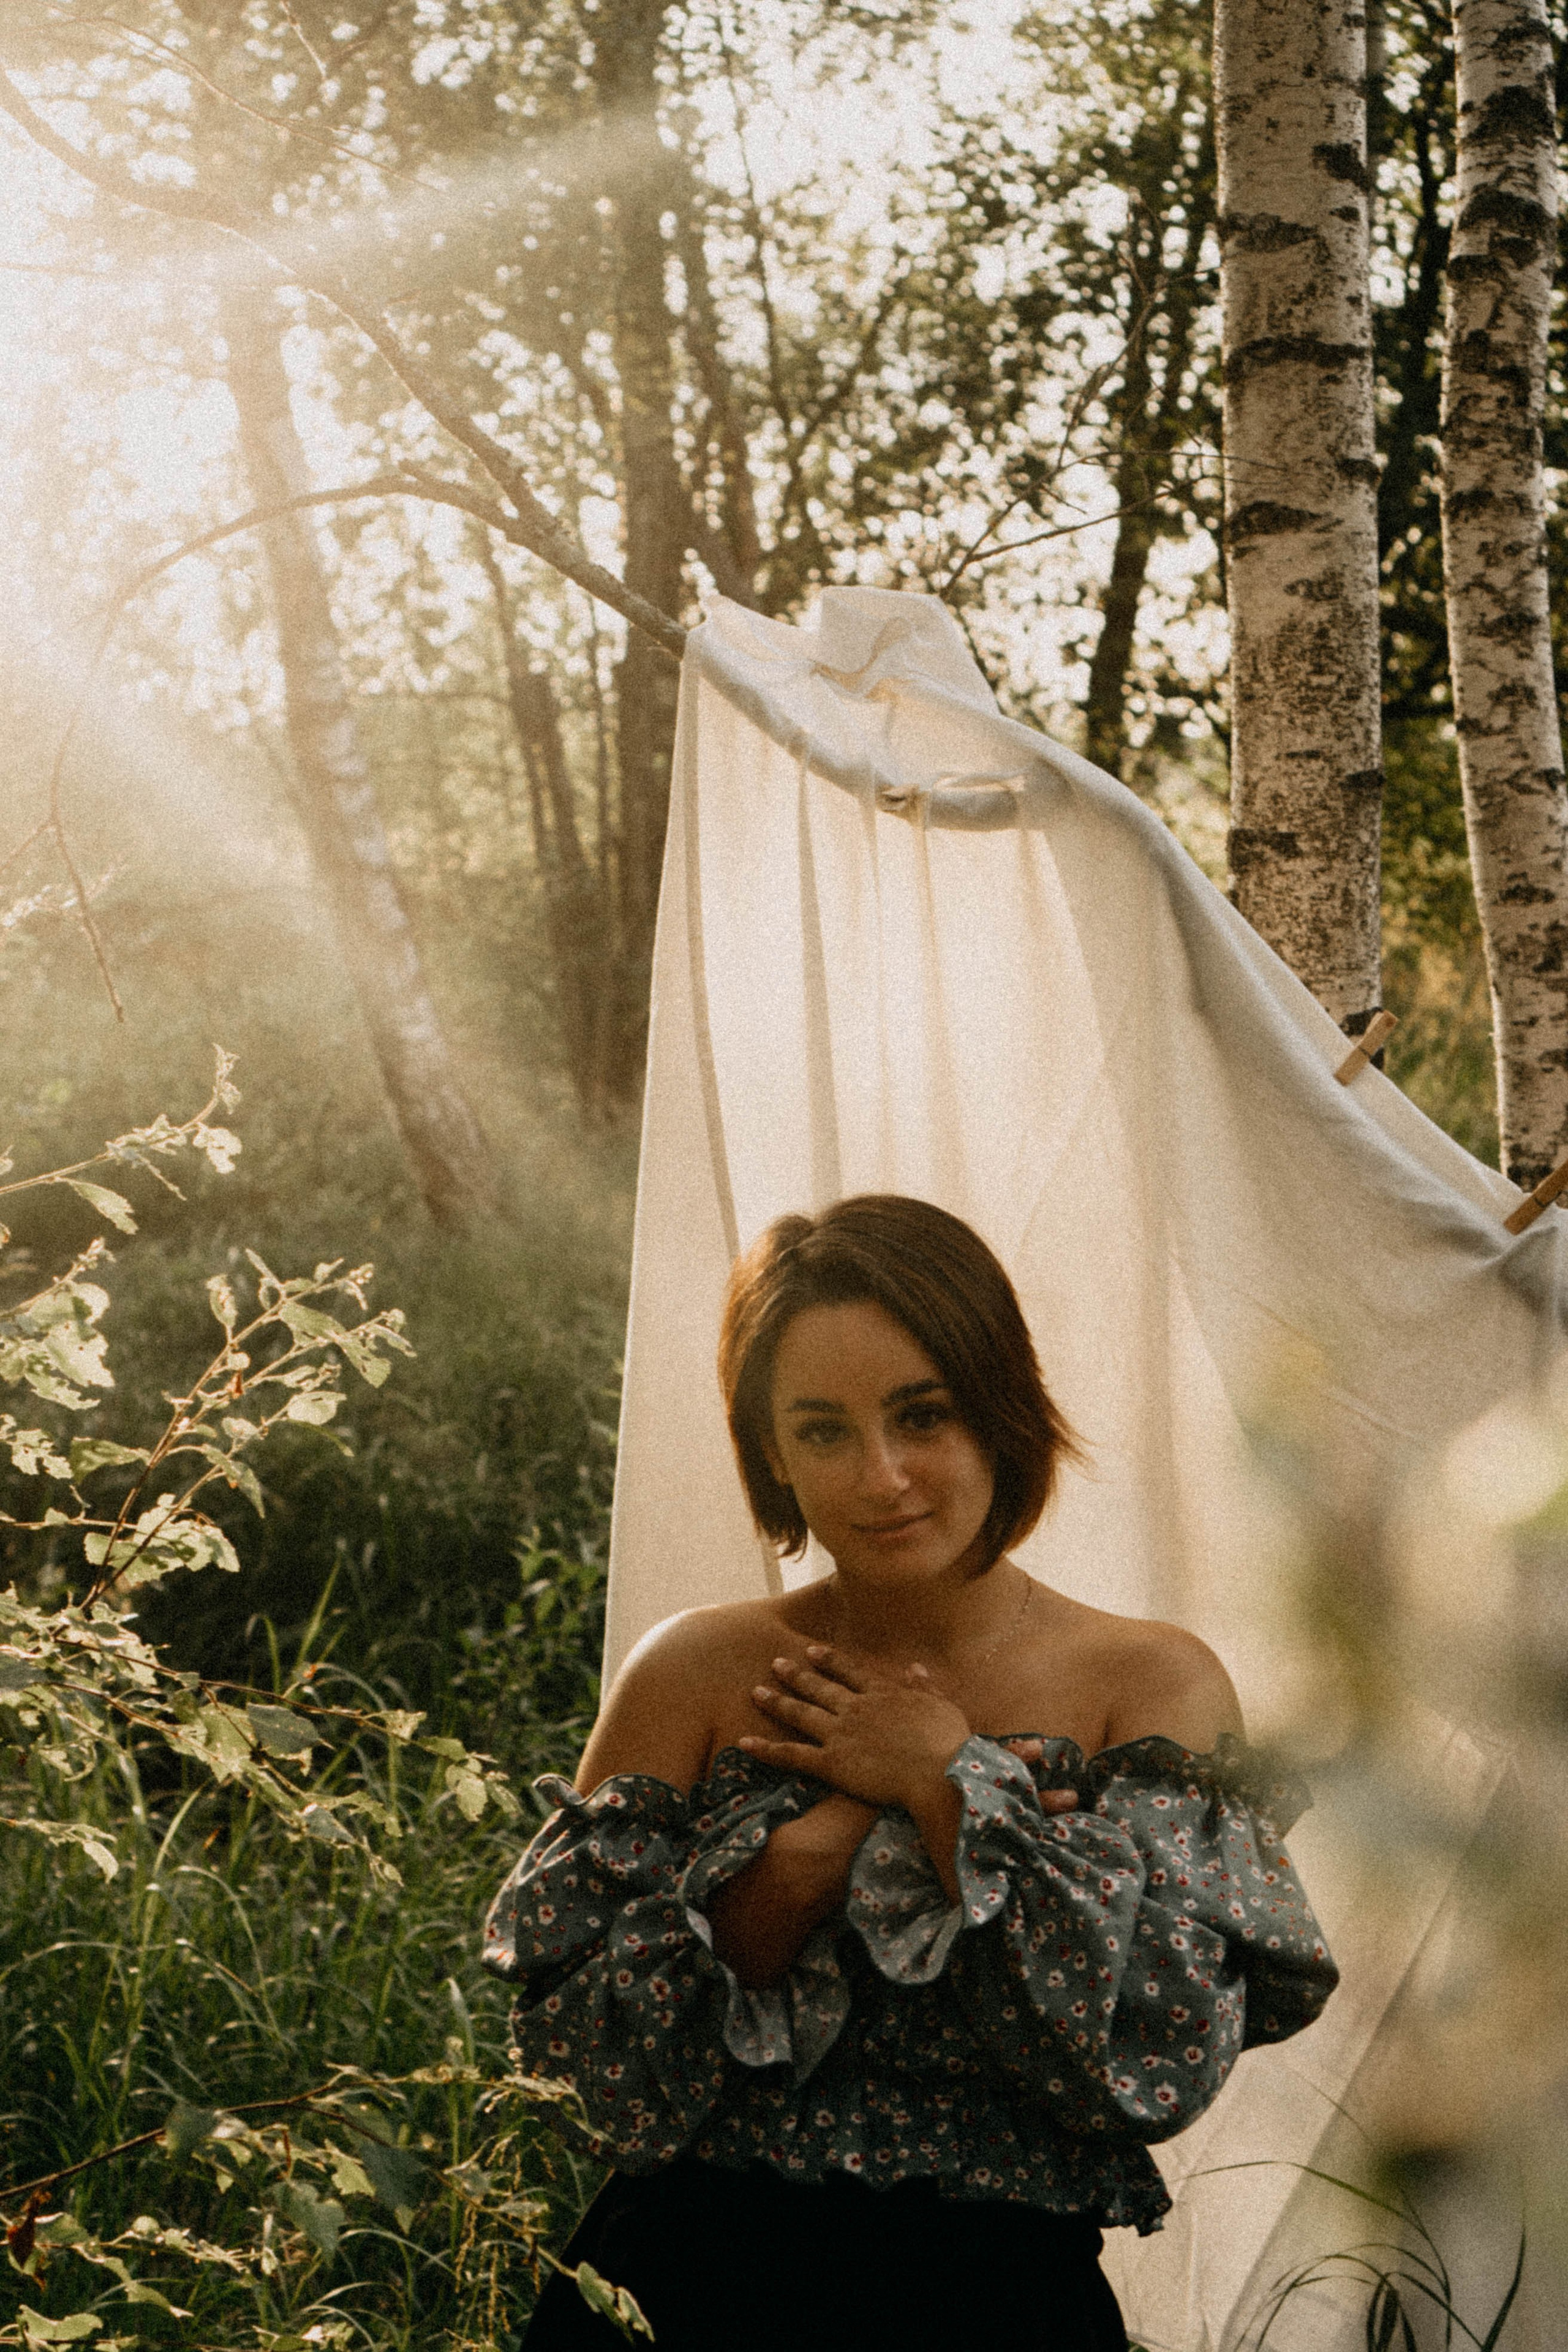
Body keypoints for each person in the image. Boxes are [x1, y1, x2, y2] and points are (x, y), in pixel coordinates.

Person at [483, 1196, 1338, 2351]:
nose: (881, 1477)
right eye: (823, 1431)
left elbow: (1151, 2058)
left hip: (996, 2304)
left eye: (921, 1415)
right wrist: (820, 1843)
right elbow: (585, 2069)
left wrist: (946, 1785)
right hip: (679, 2287)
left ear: (1001, 1407)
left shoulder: (1147, 1687)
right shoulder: (692, 1671)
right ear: (771, 1451)